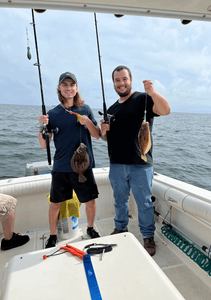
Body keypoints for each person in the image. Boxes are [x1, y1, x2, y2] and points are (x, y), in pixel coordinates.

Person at [100, 66, 170, 256]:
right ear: (113, 83)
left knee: (144, 203)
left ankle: (148, 236)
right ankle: (120, 228)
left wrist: (152, 92)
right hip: (116, 164)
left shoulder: (143, 99)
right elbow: (107, 138)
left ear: (130, 79)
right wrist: (104, 131)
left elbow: (165, 110)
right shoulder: (112, 109)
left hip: (140, 164)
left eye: (124, 79)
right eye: (117, 80)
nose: (121, 83)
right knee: (119, 201)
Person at [39, 72, 101, 248]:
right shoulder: (53, 114)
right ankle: (52, 235)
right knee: (55, 203)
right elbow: (44, 145)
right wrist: (42, 126)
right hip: (61, 166)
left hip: (84, 165)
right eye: (64, 85)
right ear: (59, 88)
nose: (68, 88)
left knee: (90, 200)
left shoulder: (86, 109)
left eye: (71, 84)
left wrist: (88, 122)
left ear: (77, 88)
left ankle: (90, 228)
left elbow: (97, 135)